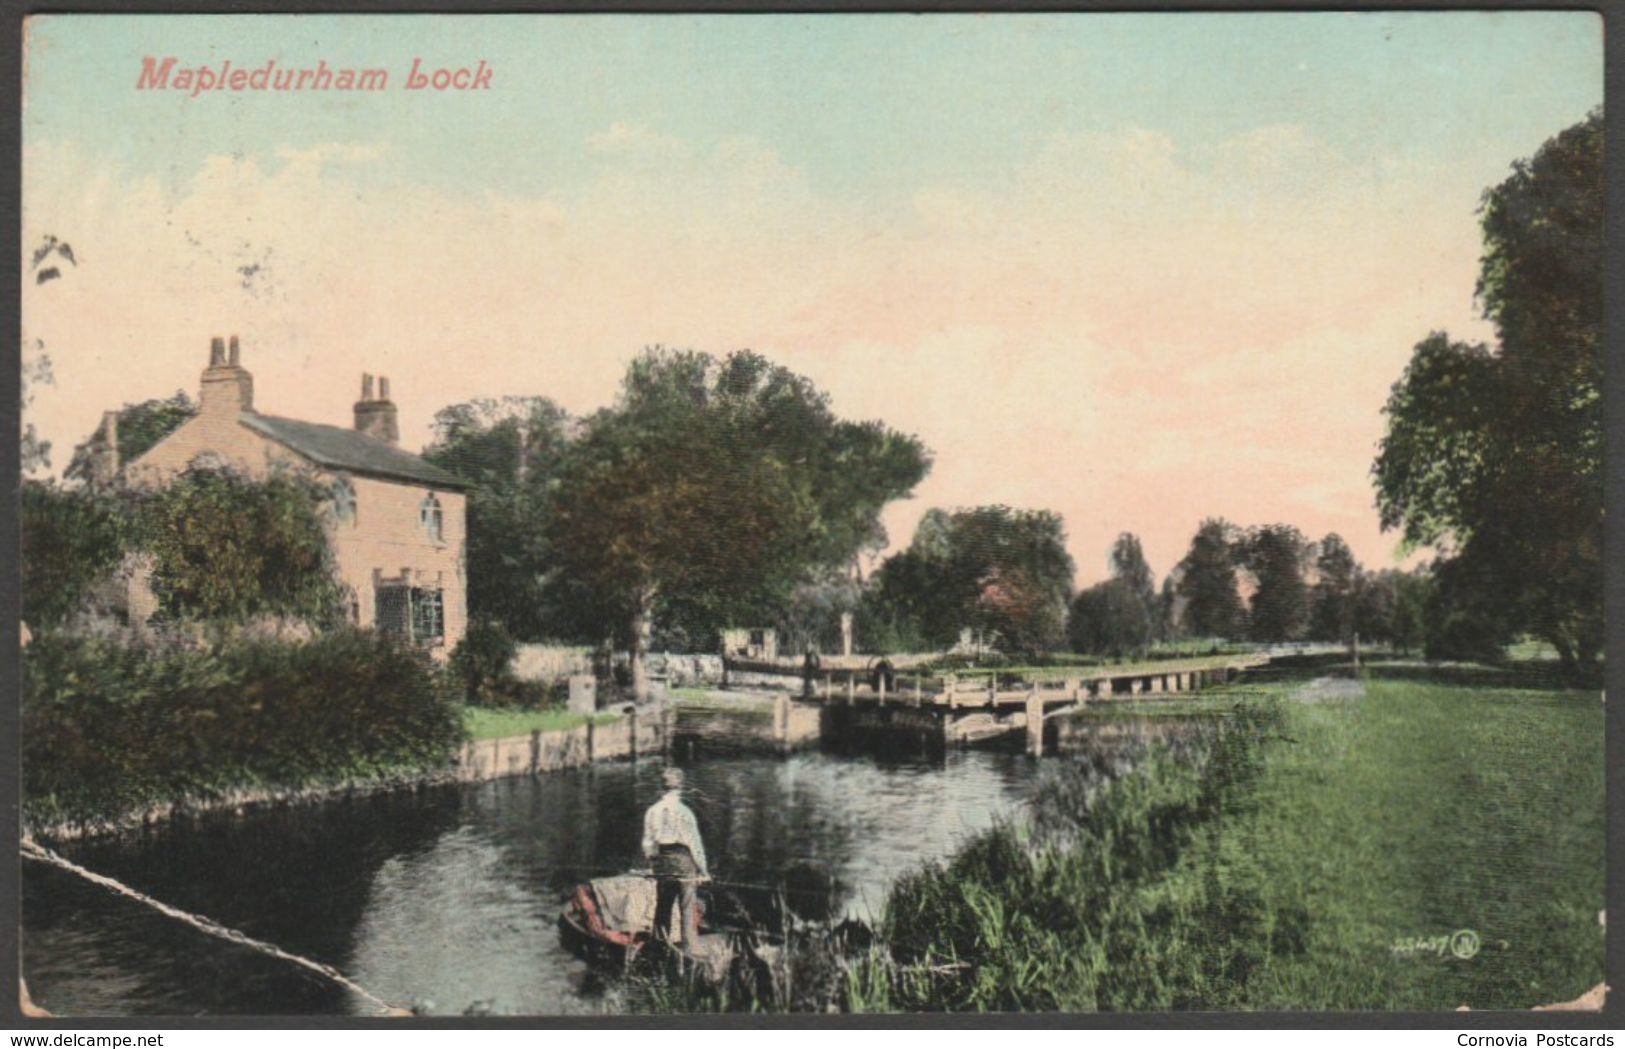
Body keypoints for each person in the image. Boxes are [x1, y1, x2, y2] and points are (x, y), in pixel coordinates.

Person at [642, 766, 709, 948]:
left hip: (663, 860)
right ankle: (689, 951)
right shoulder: (685, 812)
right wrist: (703, 871)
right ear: (681, 787)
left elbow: (648, 844)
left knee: (663, 907)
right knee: (687, 908)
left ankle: (658, 948)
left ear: (661, 787)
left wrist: (653, 863)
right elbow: (695, 845)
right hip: (684, 861)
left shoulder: (652, 811)